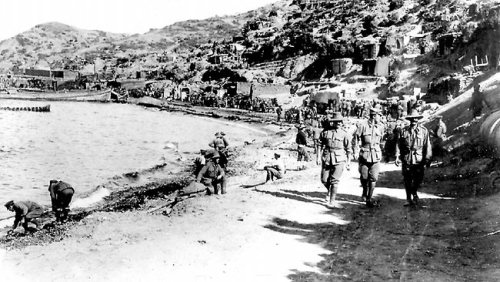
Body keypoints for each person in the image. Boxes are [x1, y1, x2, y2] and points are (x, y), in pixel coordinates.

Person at [395, 109, 432, 206]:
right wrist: (397, 157)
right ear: (409, 120)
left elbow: (427, 146)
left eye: (416, 118)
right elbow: (399, 144)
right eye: (412, 118)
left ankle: (414, 192)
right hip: (407, 158)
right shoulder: (403, 131)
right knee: (407, 179)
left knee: (418, 179)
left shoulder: (424, 131)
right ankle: (408, 198)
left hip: (419, 160)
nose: (414, 120)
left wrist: (427, 159)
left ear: (418, 119)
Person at [317, 112, 351, 208]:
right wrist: (318, 157)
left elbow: (348, 149)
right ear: (333, 122)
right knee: (324, 180)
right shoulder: (325, 132)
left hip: (339, 158)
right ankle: (329, 191)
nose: (338, 123)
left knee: (334, 181)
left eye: (340, 122)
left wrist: (348, 162)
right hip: (327, 157)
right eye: (336, 122)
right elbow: (319, 145)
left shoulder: (345, 134)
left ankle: (332, 201)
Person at [353, 107, 385, 207]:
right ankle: (364, 191)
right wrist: (355, 150)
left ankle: (369, 197)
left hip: (376, 155)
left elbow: (382, 140)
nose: (380, 117)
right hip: (364, 154)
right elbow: (356, 138)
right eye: (379, 115)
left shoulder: (380, 127)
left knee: (374, 177)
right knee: (364, 177)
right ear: (374, 116)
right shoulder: (362, 125)